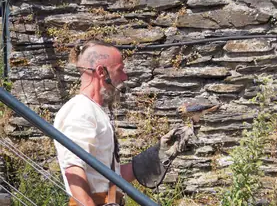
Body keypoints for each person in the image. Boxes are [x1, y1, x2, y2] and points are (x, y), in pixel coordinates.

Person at [54, 40, 193, 206]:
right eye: (119, 70)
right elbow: (74, 170)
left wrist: (158, 154)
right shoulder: (80, 111)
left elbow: (110, 178)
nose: (125, 76)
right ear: (101, 72)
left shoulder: (94, 111)